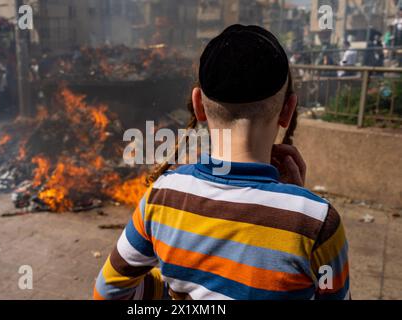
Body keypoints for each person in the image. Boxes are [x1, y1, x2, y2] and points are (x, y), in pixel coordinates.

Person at [93, 25, 350, 300]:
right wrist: (296, 203)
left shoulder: (161, 197)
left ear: (198, 107)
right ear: (287, 110)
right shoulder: (318, 223)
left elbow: (106, 291)